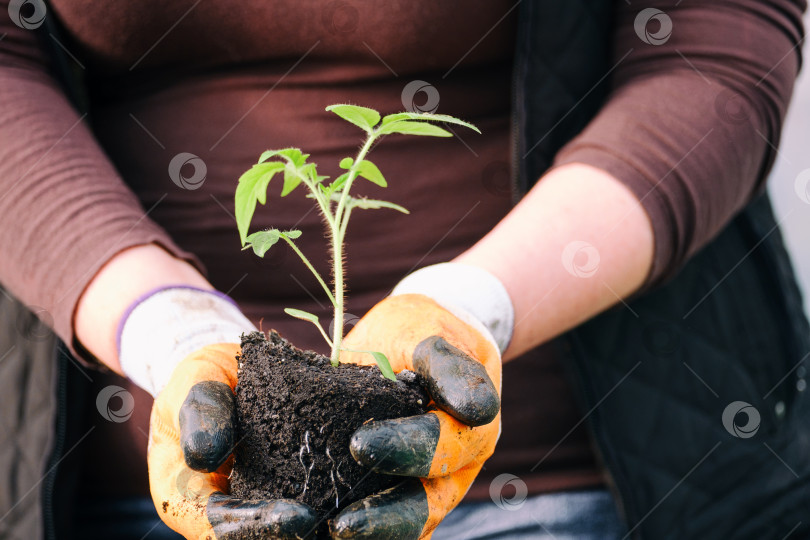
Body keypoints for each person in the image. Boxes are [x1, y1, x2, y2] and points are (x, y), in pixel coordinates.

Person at [1, 0, 808, 538]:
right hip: (113, 490)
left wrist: (469, 307)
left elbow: (714, 47)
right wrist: (168, 331)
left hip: (559, 479)